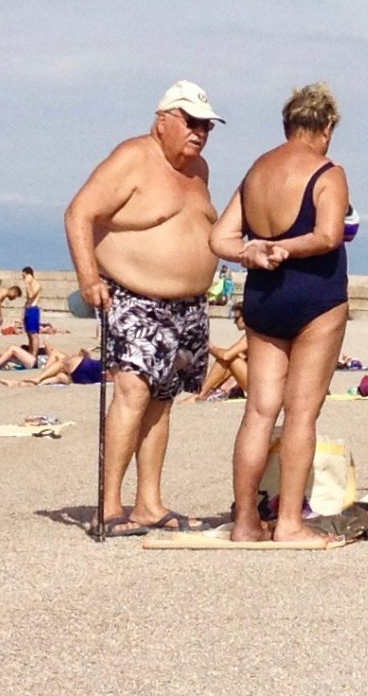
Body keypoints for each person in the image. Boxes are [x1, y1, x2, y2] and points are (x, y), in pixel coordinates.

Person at [64, 80, 224, 537]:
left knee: (162, 401)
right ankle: (108, 505)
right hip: (136, 297)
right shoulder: (133, 157)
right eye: (190, 122)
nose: (199, 133)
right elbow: (79, 213)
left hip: (188, 307)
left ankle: (148, 503)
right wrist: (88, 279)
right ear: (162, 121)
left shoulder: (200, 170)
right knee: (133, 394)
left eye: (206, 126)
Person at [211, 82, 354, 544]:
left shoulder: (257, 172)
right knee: (301, 413)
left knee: (258, 409)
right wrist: (284, 247)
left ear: (286, 124)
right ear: (327, 127)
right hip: (315, 296)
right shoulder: (328, 171)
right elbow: (329, 236)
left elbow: (220, 239)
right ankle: (289, 521)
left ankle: (246, 521)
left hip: (264, 297)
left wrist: (253, 252)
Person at [2, 347, 105, 387]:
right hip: (85, 378)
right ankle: (21, 384)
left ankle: (38, 378)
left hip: (86, 368)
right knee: (59, 377)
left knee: (62, 362)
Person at [18, 267, 46, 363]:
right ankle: (30, 352)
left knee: (34, 334)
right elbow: (27, 300)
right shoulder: (28, 285)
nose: (23, 278)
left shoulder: (36, 284)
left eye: (24, 276)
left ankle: (34, 354)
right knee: (29, 334)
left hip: (34, 310)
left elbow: (31, 295)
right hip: (28, 309)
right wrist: (23, 313)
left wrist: (28, 283)